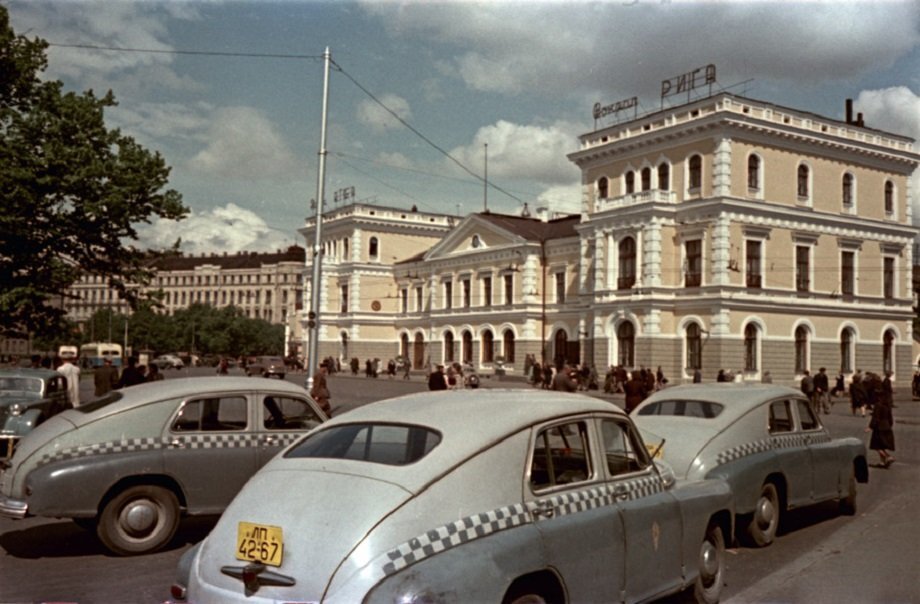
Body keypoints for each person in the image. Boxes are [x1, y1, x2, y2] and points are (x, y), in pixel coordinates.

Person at [866, 377, 895, 467]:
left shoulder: (878, 406)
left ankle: (888, 456)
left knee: (876, 445)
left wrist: (870, 427)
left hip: (879, 427)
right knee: (882, 445)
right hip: (887, 426)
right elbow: (890, 418)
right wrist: (889, 425)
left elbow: (875, 417)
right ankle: (883, 462)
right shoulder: (887, 406)